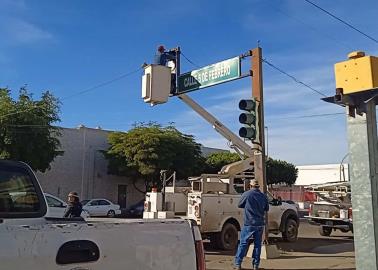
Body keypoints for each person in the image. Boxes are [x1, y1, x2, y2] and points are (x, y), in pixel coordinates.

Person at [234, 180, 269, 270]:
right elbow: (266, 208)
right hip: (260, 223)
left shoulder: (247, 194)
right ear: (258, 186)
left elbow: (240, 205)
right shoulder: (263, 196)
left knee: (243, 244)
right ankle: (255, 265)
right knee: (257, 245)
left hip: (249, 223)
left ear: (250, 186)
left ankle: (238, 264)